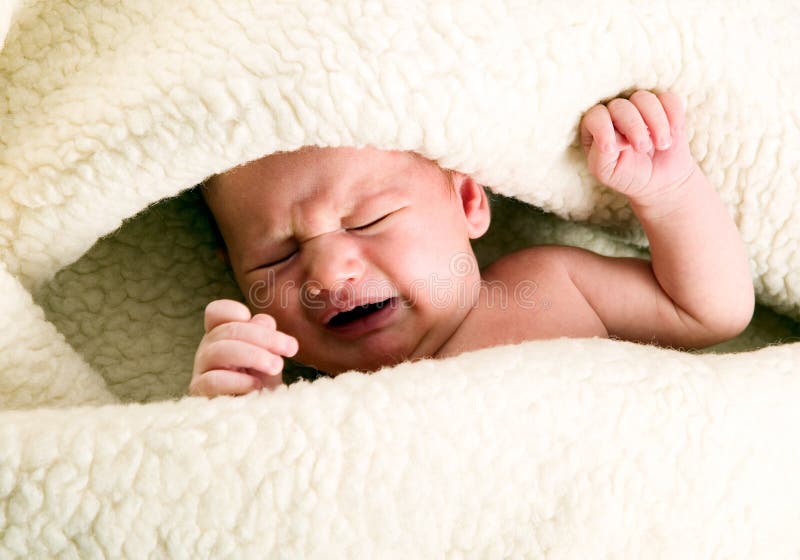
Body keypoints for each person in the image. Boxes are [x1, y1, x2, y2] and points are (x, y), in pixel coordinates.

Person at [190, 90, 755, 397]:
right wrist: (235, 407)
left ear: (467, 204)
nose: (330, 274)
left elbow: (709, 313)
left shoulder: (547, 290)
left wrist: (671, 191)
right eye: (278, 257)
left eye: (368, 221)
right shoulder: (300, 401)